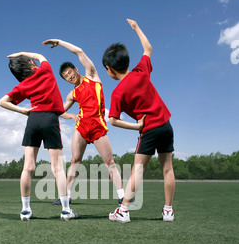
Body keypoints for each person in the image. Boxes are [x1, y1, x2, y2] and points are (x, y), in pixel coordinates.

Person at [102, 19, 175, 223]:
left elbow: (113, 120)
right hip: (166, 125)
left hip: (149, 130)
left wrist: (136, 126)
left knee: (138, 169)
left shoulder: (117, 93)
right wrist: (136, 28)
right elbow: (148, 48)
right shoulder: (141, 71)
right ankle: (168, 210)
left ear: (109, 69)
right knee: (167, 168)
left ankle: (123, 210)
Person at [42, 38, 127, 206]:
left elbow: (79, 51)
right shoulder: (72, 94)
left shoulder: (92, 76)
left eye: (69, 73)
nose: (69, 77)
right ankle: (66, 196)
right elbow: (59, 111)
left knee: (109, 162)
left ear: (75, 69)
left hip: (97, 125)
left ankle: (122, 195)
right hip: (81, 127)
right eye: (65, 77)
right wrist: (72, 116)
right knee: (75, 161)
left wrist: (59, 42)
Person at [0, 51, 78, 221]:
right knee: (57, 168)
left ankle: (25, 211)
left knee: (28, 167)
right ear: (31, 64)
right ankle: (65, 210)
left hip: (33, 119)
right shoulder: (45, 69)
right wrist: (21, 53)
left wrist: (23, 110)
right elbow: (40, 55)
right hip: (50, 119)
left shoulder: (24, 84)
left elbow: (2, 101)